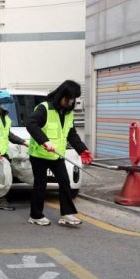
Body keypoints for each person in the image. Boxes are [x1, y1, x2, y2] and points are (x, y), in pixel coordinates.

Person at [26, 80, 93, 226]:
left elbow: (71, 133)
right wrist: (45, 141)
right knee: (40, 185)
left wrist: (82, 149)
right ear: (61, 95)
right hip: (39, 155)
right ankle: (35, 215)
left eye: (73, 99)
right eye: (68, 98)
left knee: (65, 182)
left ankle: (66, 214)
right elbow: (30, 124)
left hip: (57, 155)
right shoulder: (44, 108)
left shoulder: (68, 113)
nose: (70, 102)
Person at [0, 90, 28, 211]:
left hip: (2, 151)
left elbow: (8, 134)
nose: (7, 104)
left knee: (2, 175)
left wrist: (23, 142)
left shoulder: (5, 117)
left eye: (8, 102)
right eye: (5, 102)